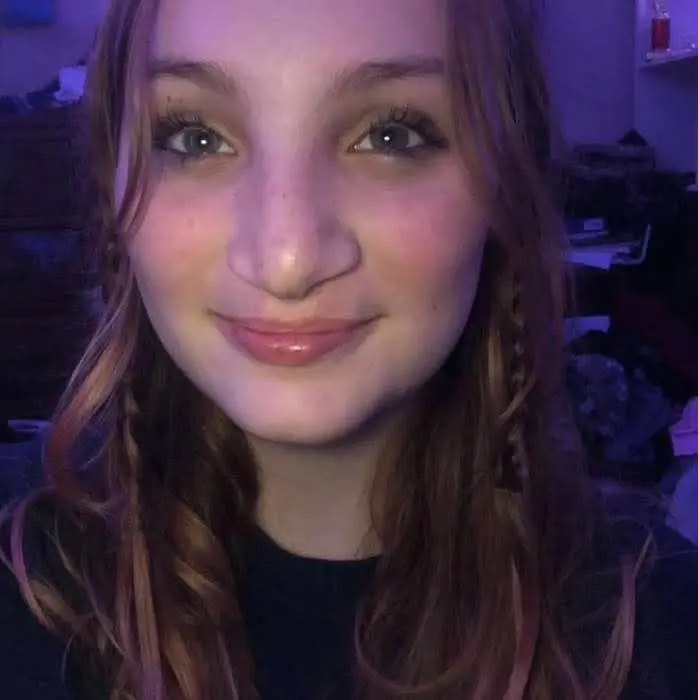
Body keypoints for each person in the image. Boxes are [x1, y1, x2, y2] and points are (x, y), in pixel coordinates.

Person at [1, 0, 697, 698]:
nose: (287, 260)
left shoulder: (662, 629)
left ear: (504, 187)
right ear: (113, 185)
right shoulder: (21, 575)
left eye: (392, 134)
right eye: (195, 138)